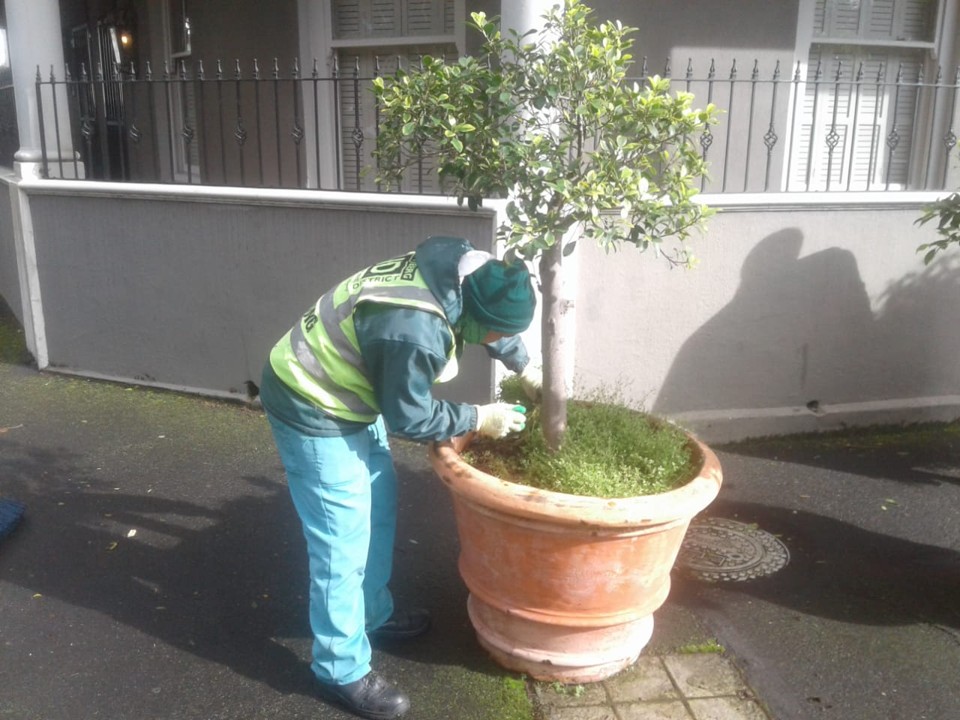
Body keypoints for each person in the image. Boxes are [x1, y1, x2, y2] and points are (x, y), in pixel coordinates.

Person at [259, 235, 541, 720]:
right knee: (339, 543)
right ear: (474, 318)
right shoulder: (413, 329)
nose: (493, 342)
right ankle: (339, 669)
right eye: (495, 336)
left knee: (379, 501)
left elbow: (493, 314)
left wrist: (525, 363)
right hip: (311, 401)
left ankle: (370, 613)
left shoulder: (466, 266)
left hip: (353, 384)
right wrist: (478, 418)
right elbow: (409, 416)